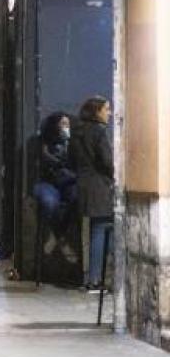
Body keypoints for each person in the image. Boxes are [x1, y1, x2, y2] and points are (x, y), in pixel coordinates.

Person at [70, 96, 114, 292]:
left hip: (84, 184)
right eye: (107, 109)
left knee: (94, 230)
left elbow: (71, 160)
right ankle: (97, 279)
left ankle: (91, 277)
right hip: (100, 186)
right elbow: (106, 161)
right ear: (97, 111)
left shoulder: (77, 132)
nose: (110, 113)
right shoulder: (99, 132)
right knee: (102, 229)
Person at [33, 112, 76, 228]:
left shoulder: (73, 143)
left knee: (76, 199)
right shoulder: (42, 143)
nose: (66, 127)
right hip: (47, 182)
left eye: (68, 124)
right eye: (63, 124)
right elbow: (42, 160)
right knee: (50, 202)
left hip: (68, 181)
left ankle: (64, 233)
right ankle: (50, 232)